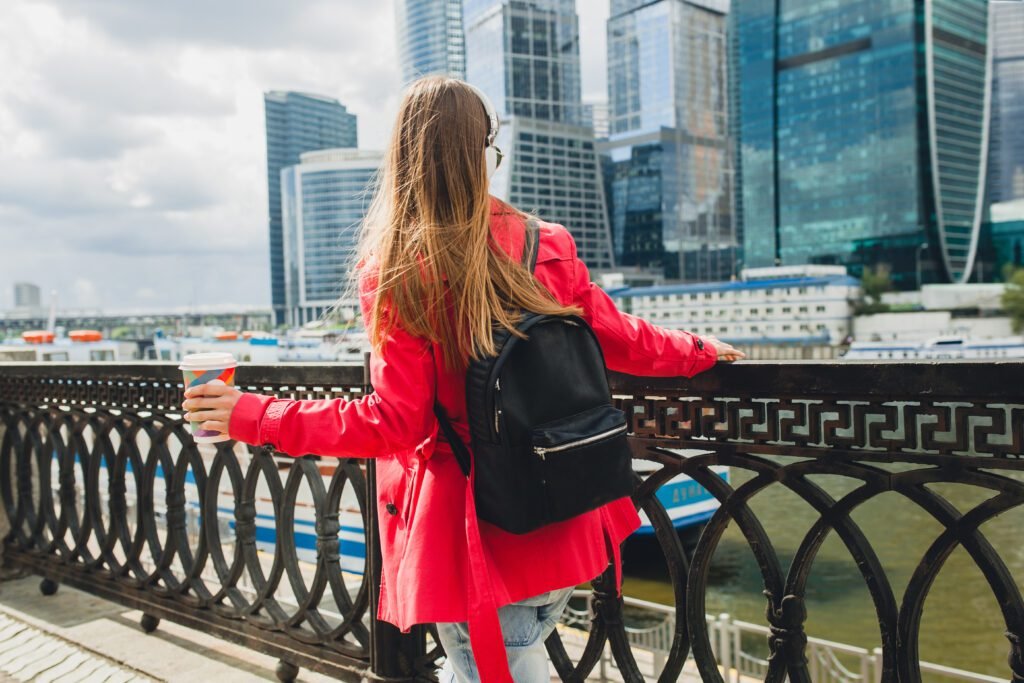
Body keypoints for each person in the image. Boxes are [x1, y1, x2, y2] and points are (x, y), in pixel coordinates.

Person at [181, 76, 745, 683]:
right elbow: (619, 338)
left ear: (404, 159)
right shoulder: (545, 242)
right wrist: (697, 351)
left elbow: (394, 422)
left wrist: (252, 414)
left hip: (477, 538)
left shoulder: (401, 268)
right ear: (483, 152)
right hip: (566, 508)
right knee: (508, 665)